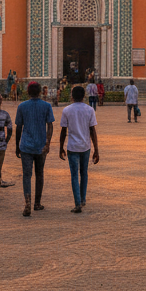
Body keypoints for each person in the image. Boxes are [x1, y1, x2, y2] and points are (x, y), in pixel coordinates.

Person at [15, 81, 55, 217]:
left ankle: (27, 201)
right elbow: (50, 125)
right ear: (40, 92)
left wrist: (16, 146)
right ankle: (37, 203)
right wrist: (48, 143)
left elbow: (19, 127)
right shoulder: (46, 106)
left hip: (26, 145)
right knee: (39, 174)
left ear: (27, 92)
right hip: (41, 146)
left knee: (27, 175)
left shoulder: (22, 106)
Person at [59, 85, 99, 213]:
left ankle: (77, 203)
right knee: (84, 173)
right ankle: (83, 199)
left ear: (72, 96)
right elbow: (93, 130)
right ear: (84, 96)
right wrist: (96, 149)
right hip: (85, 146)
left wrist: (61, 147)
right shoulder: (89, 110)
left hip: (72, 147)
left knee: (74, 175)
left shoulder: (67, 110)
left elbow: (63, 131)